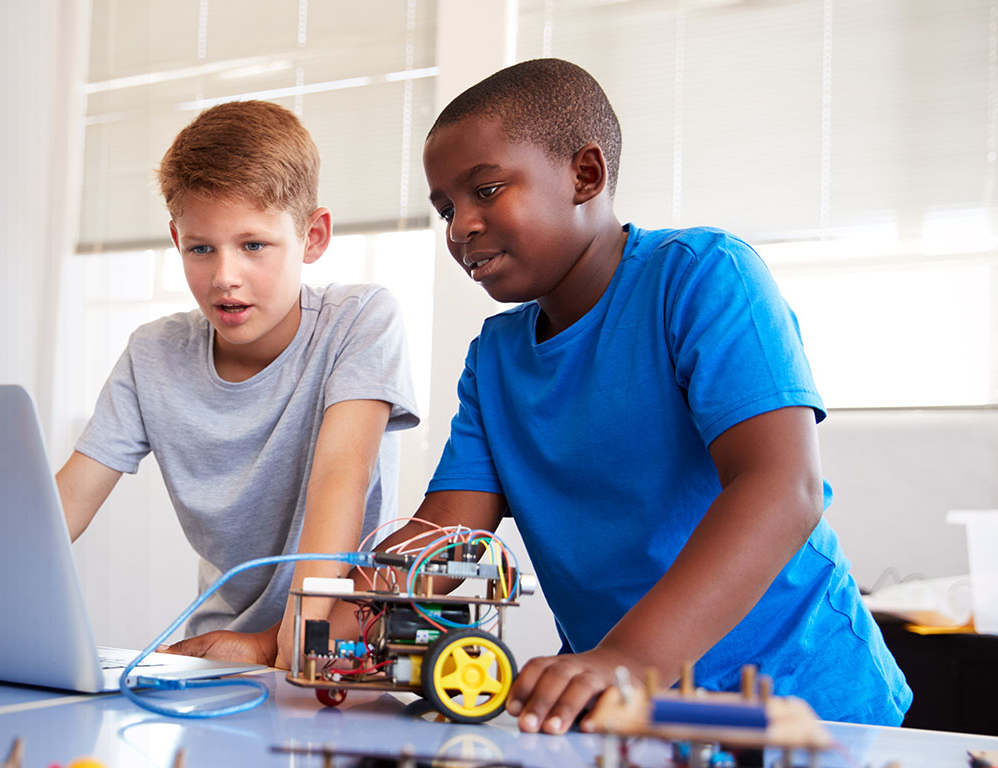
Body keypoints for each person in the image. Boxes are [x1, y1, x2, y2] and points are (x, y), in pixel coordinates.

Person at [381, 58, 909, 730]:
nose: (459, 227)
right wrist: (312, 627)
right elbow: (442, 541)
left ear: (585, 175)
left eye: (485, 191)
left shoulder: (702, 276)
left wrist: (629, 657)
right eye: (446, 208)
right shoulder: (494, 360)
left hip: (805, 705)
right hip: (627, 720)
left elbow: (783, 489)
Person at [55, 100, 420, 669]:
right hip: (213, 657)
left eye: (253, 245)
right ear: (177, 239)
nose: (225, 277)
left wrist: (297, 637)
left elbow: (339, 477)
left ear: (313, 236)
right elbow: (70, 498)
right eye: (202, 248)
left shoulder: (361, 319)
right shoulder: (152, 354)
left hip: (332, 648)